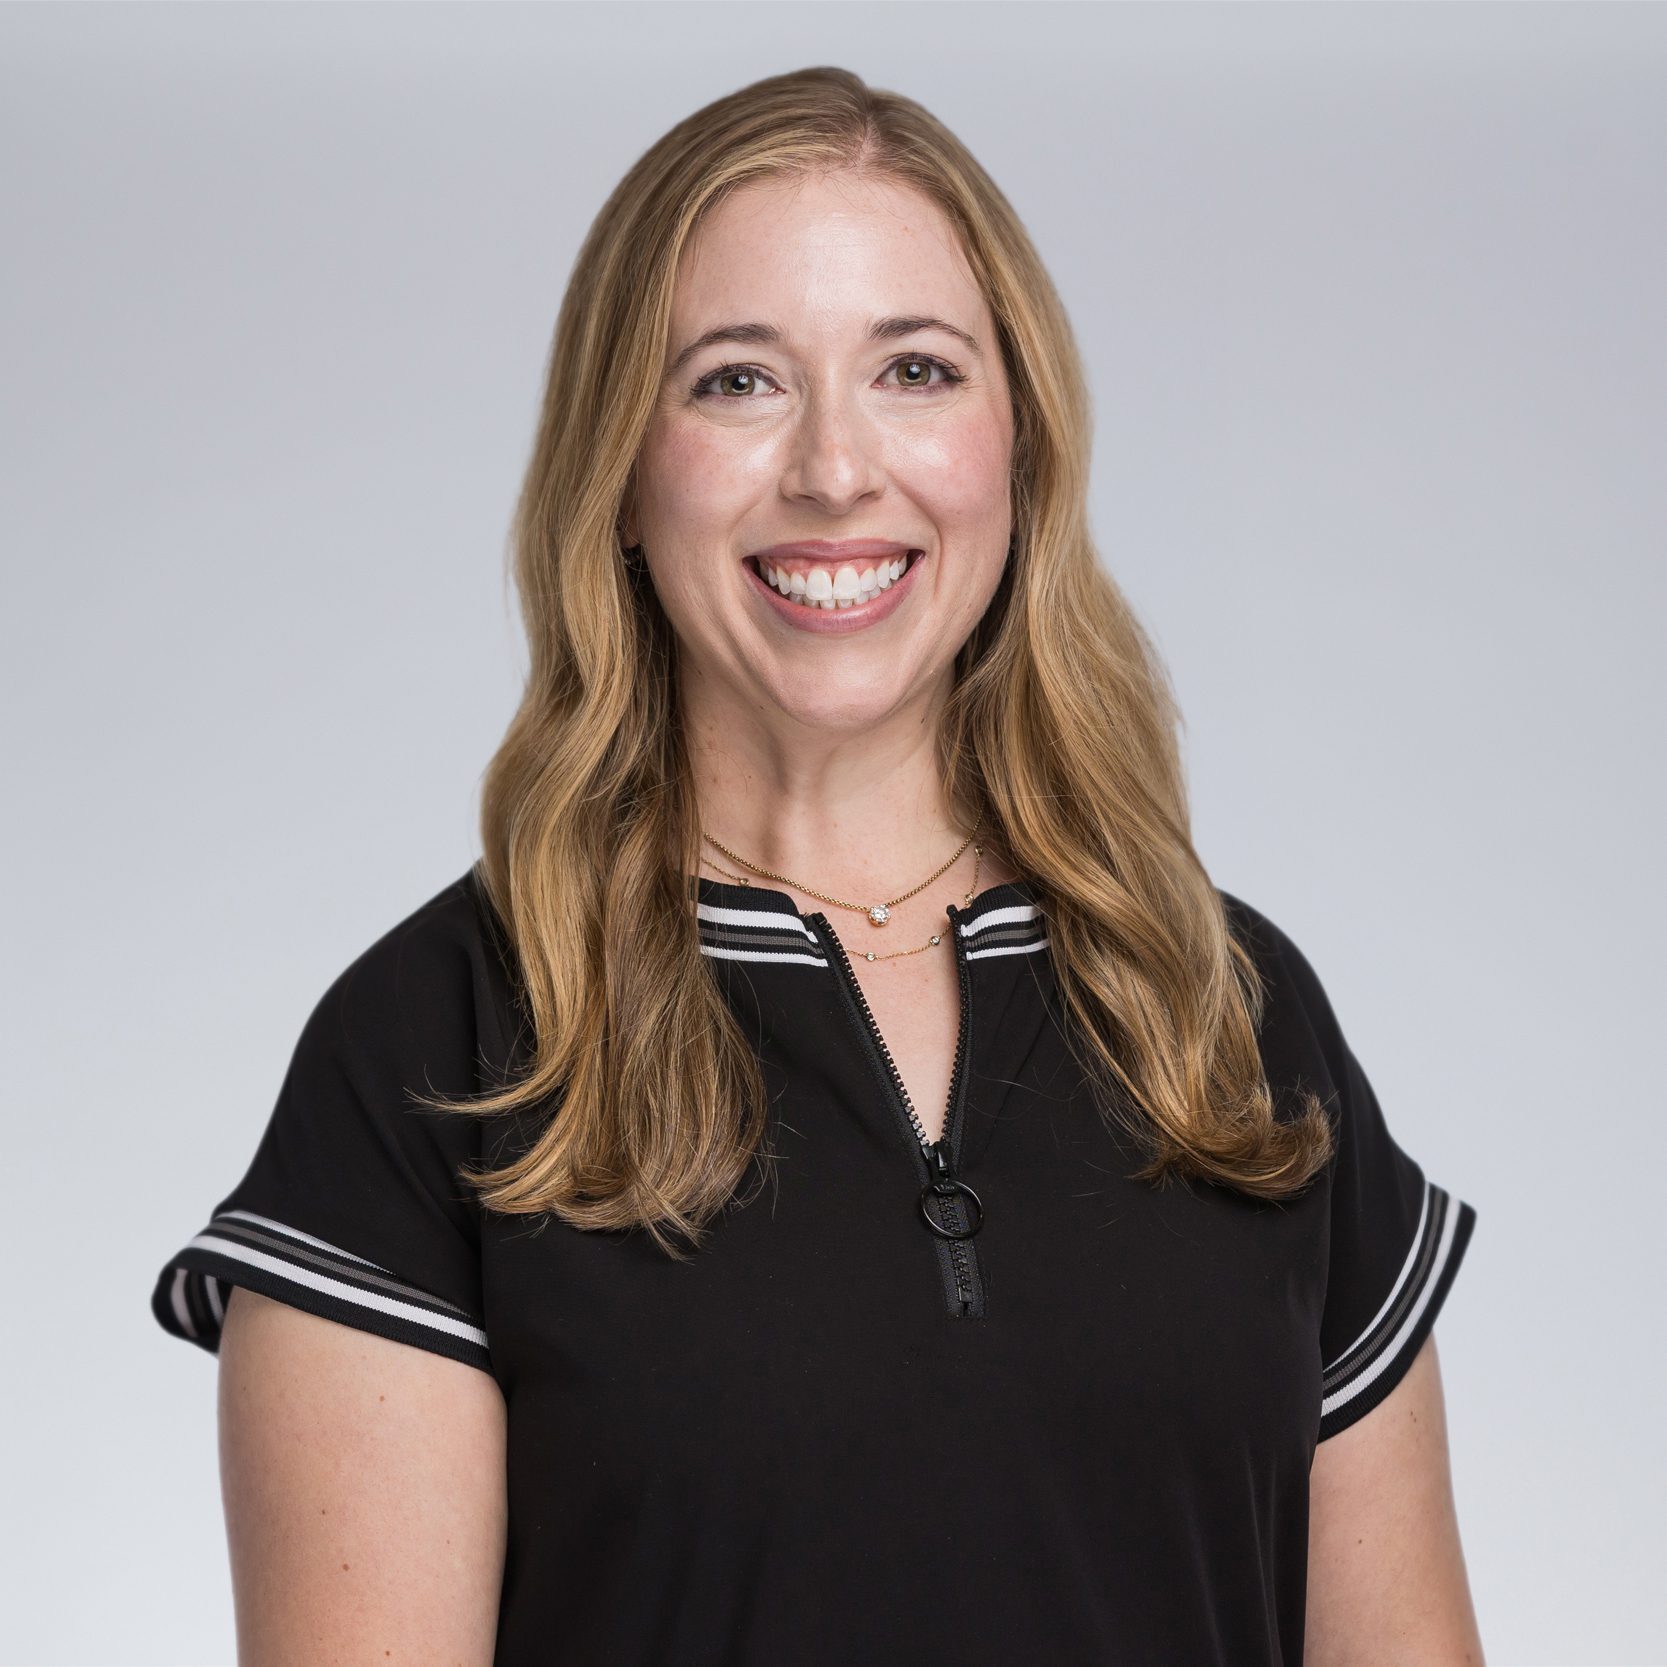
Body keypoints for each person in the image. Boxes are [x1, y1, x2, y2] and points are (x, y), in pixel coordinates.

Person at [150, 65, 1483, 1665]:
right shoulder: (437, 1050)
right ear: (620, 473)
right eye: (737, 382)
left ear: (1020, 448)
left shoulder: (1231, 1015)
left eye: (915, 370)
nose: (836, 470)